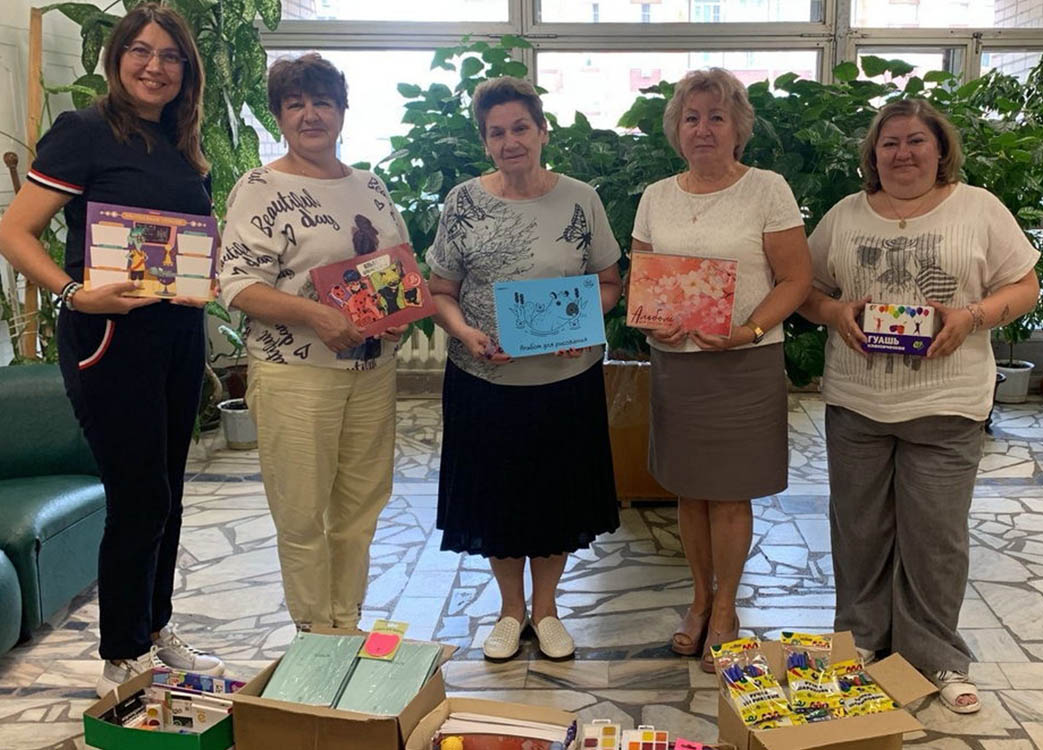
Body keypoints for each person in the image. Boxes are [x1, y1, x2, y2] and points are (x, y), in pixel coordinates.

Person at [0, 3, 224, 696]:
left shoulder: (184, 144)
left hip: (177, 334)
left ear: (187, 70)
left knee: (168, 491)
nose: (155, 67)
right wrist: (74, 293)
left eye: (171, 56)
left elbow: (189, 240)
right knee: (138, 494)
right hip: (109, 339)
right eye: (142, 51)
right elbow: (13, 231)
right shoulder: (85, 131)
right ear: (117, 56)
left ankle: (155, 627)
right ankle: (123, 652)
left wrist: (208, 275)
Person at [799, 98, 1040, 714]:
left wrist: (972, 316)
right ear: (873, 155)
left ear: (940, 149)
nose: (902, 153)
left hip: (948, 404)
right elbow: (808, 290)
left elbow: (1025, 285)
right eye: (890, 143)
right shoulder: (845, 215)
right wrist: (836, 312)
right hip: (857, 401)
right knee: (858, 532)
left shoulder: (979, 208)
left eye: (915, 141)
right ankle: (858, 643)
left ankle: (936, 656)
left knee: (935, 538)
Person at [429, 76, 621, 662]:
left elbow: (609, 283)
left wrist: (581, 324)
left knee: (557, 495)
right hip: (485, 380)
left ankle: (548, 609)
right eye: (497, 133)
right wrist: (464, 332)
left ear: (542, 131)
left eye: (520, 128)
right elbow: (441, 291)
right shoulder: (462, 202)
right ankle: (511, 610)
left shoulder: (582, 199)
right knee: (499, 498)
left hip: (566, 381)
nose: (510, 141)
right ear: (485, 141)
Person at [217, 53, 410, 632]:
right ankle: (314, 631)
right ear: (279, 116)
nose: (310, 115)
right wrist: (316, 315)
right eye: (295, 104)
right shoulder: (259, 187)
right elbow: (237, 284)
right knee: (301, 514)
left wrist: (399, 311)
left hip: (371, 373)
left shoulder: (369, 186)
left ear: (342, 111)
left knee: (361, 507)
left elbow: (396, 268)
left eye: (322, 102)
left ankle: (346, 622)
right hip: (296, 375)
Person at [630, 68, 812, 672]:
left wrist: (750, 329)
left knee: (731, 494)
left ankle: (727, 608)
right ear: (676, 129)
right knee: (689, 490)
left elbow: (796, 279)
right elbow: (644, 281)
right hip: (678, 365)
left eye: (716, 117)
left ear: (738, 128)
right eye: (691, 117)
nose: (703, 129)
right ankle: (699, 599)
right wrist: (654, 322)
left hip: (744, 362)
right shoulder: (657, 196)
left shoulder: (767, 189)